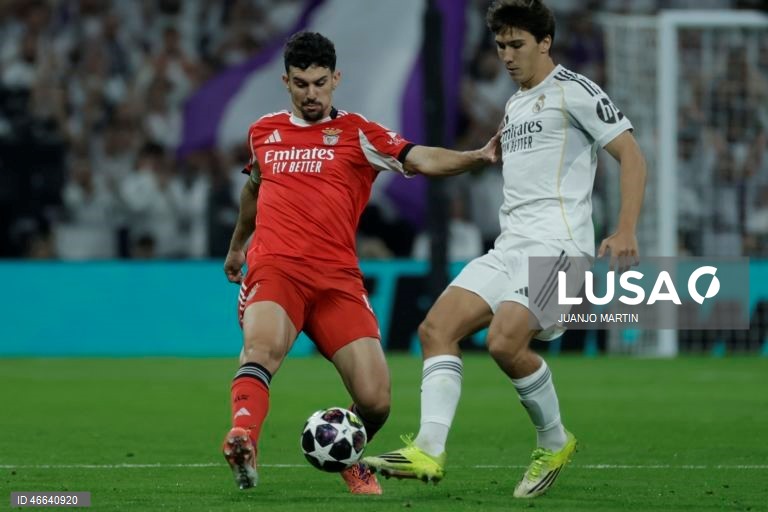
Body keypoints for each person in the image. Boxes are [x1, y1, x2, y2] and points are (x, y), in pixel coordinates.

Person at [363, 0, 646, 499]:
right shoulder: (515, 105)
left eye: (517, 45)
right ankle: (428, 448)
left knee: (503, 341)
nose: (508, 56)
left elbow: (632, 155)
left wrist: (624, 230)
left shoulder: (574, 91)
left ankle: (554, 439)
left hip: (560, 248)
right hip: (509, 246)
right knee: (435, 329)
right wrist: (487, 153)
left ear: (544, 43)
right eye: (500, 46)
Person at [221, 31, 500, 495]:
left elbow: (419, 158)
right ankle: (243, 438)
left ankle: (348, 456)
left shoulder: (358, 134)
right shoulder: (263, 132)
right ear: (285, 81)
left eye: (320, 83)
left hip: (337, 282)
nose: (311, 94)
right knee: (261, 350)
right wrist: (237, 247)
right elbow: (255, 189)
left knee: (375, 400)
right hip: (277, 269)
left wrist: (476, 156)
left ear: (336, 79)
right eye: (301, 84)